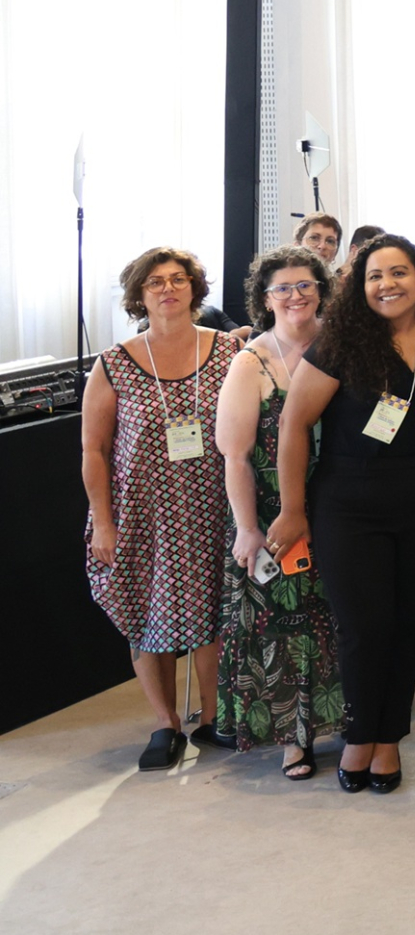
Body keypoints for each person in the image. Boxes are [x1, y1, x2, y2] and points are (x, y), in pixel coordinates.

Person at [271, 234, 415, 793]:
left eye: (399, 273)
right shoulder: (340, 342)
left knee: (407, 624)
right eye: (375, 275)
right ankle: (359, 735)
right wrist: (293, 509)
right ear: (360, 285)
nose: (387, 284)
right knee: (362, 628)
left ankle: (389, 737)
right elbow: (294, 424)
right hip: (348, 503)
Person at [84, 248, 240, 770]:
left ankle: (213, 716)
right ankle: (165, 724)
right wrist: (103, 522)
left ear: (195, 287)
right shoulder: (113, 364)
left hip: (216, 508)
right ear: (139, 294)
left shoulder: (229, 351)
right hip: (142, 515)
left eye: (178, 279)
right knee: (147, 617)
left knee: (216, 611)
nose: (168, 289)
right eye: (155, 282)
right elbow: (94, 450)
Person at [214, 246, 342, 776]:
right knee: (284, 628)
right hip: (271, 518)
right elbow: (235, 455)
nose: (295, 296)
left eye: (305, 285)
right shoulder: (251, 362)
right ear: (265, 299)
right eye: (282, 288)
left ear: (321, 290)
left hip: (341, 510)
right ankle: (295, 737)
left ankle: (349, 717)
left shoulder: (342, 344)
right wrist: (247, 528)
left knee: (339, 619)